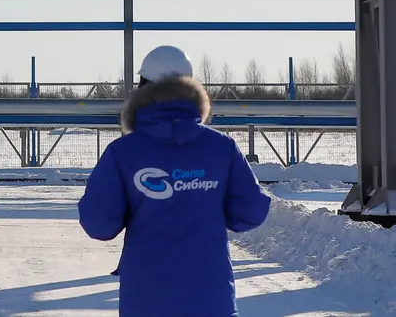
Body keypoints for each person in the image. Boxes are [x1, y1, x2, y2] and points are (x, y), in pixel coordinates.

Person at [78, 45, 272, 317]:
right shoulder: (222, 148)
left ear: (142, 87)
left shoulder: (123, 152)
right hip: (211, 300)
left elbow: (99, 223)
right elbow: (251, 211)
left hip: (145, 301)